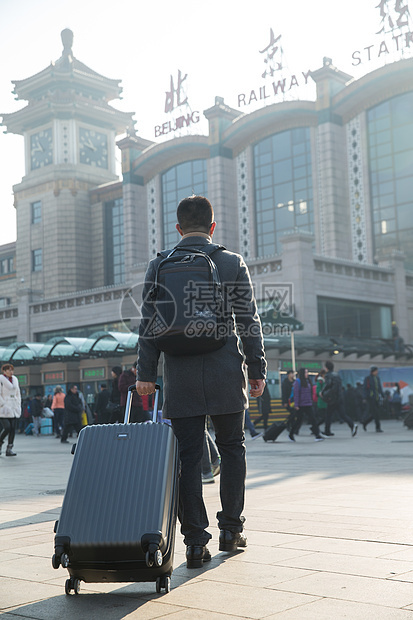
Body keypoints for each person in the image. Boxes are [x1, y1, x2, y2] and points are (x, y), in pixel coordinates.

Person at [136, 195, 266, 569]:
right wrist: (256, 369)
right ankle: (231, 529)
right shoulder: (230, 261)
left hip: (180, 377)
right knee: (232, 448)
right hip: (226, 371)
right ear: (212, 226)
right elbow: (249, 321)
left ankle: (195, 542)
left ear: (178, 229)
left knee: (188, 460)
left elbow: (148, 326)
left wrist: (146, 375)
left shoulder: (159, 265)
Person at [321, 360, 358, 437]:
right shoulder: (337, 375)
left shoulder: (328, 375)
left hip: (333, 399)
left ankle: (327, 431)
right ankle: (352, 425)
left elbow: (329, 386)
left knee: (328, 415)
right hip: (340, 398)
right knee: (343, 414)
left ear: (326, 368)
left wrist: (324, 393)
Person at [291, 368, 324, 441]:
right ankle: (291, 434)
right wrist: (296, 405)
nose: (307, 374)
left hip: (308, 404)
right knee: (298, 421)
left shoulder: (307, 381)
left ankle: (317, 435)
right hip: (301, 405)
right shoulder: (297, 382)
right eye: (306, 372)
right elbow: (296, 394)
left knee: (313, 419)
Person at [0, 363, 21, 456]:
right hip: (4, 407)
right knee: (7, 427)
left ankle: (9, 448)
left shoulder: (15, 379)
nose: (11, 372)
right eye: (9, 370)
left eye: (12, 370)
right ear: (4, 371)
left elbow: (18, 393)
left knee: (12, 428)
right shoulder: (1, 379)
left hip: (13, 406)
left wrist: (18, 403)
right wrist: (3, 403)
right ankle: (0, 442)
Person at [363, 366, 384, 432]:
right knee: (376, 413)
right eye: (376, 371)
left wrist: (383, 395)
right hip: (371, 398)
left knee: (375, 413)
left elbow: (379, 388)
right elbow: (365, 388)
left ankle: (365, 422)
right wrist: (365, 397)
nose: (377, 372)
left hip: (377, 398)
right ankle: (378, 427)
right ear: (372, 371)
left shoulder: (377, 378)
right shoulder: (368, 378)